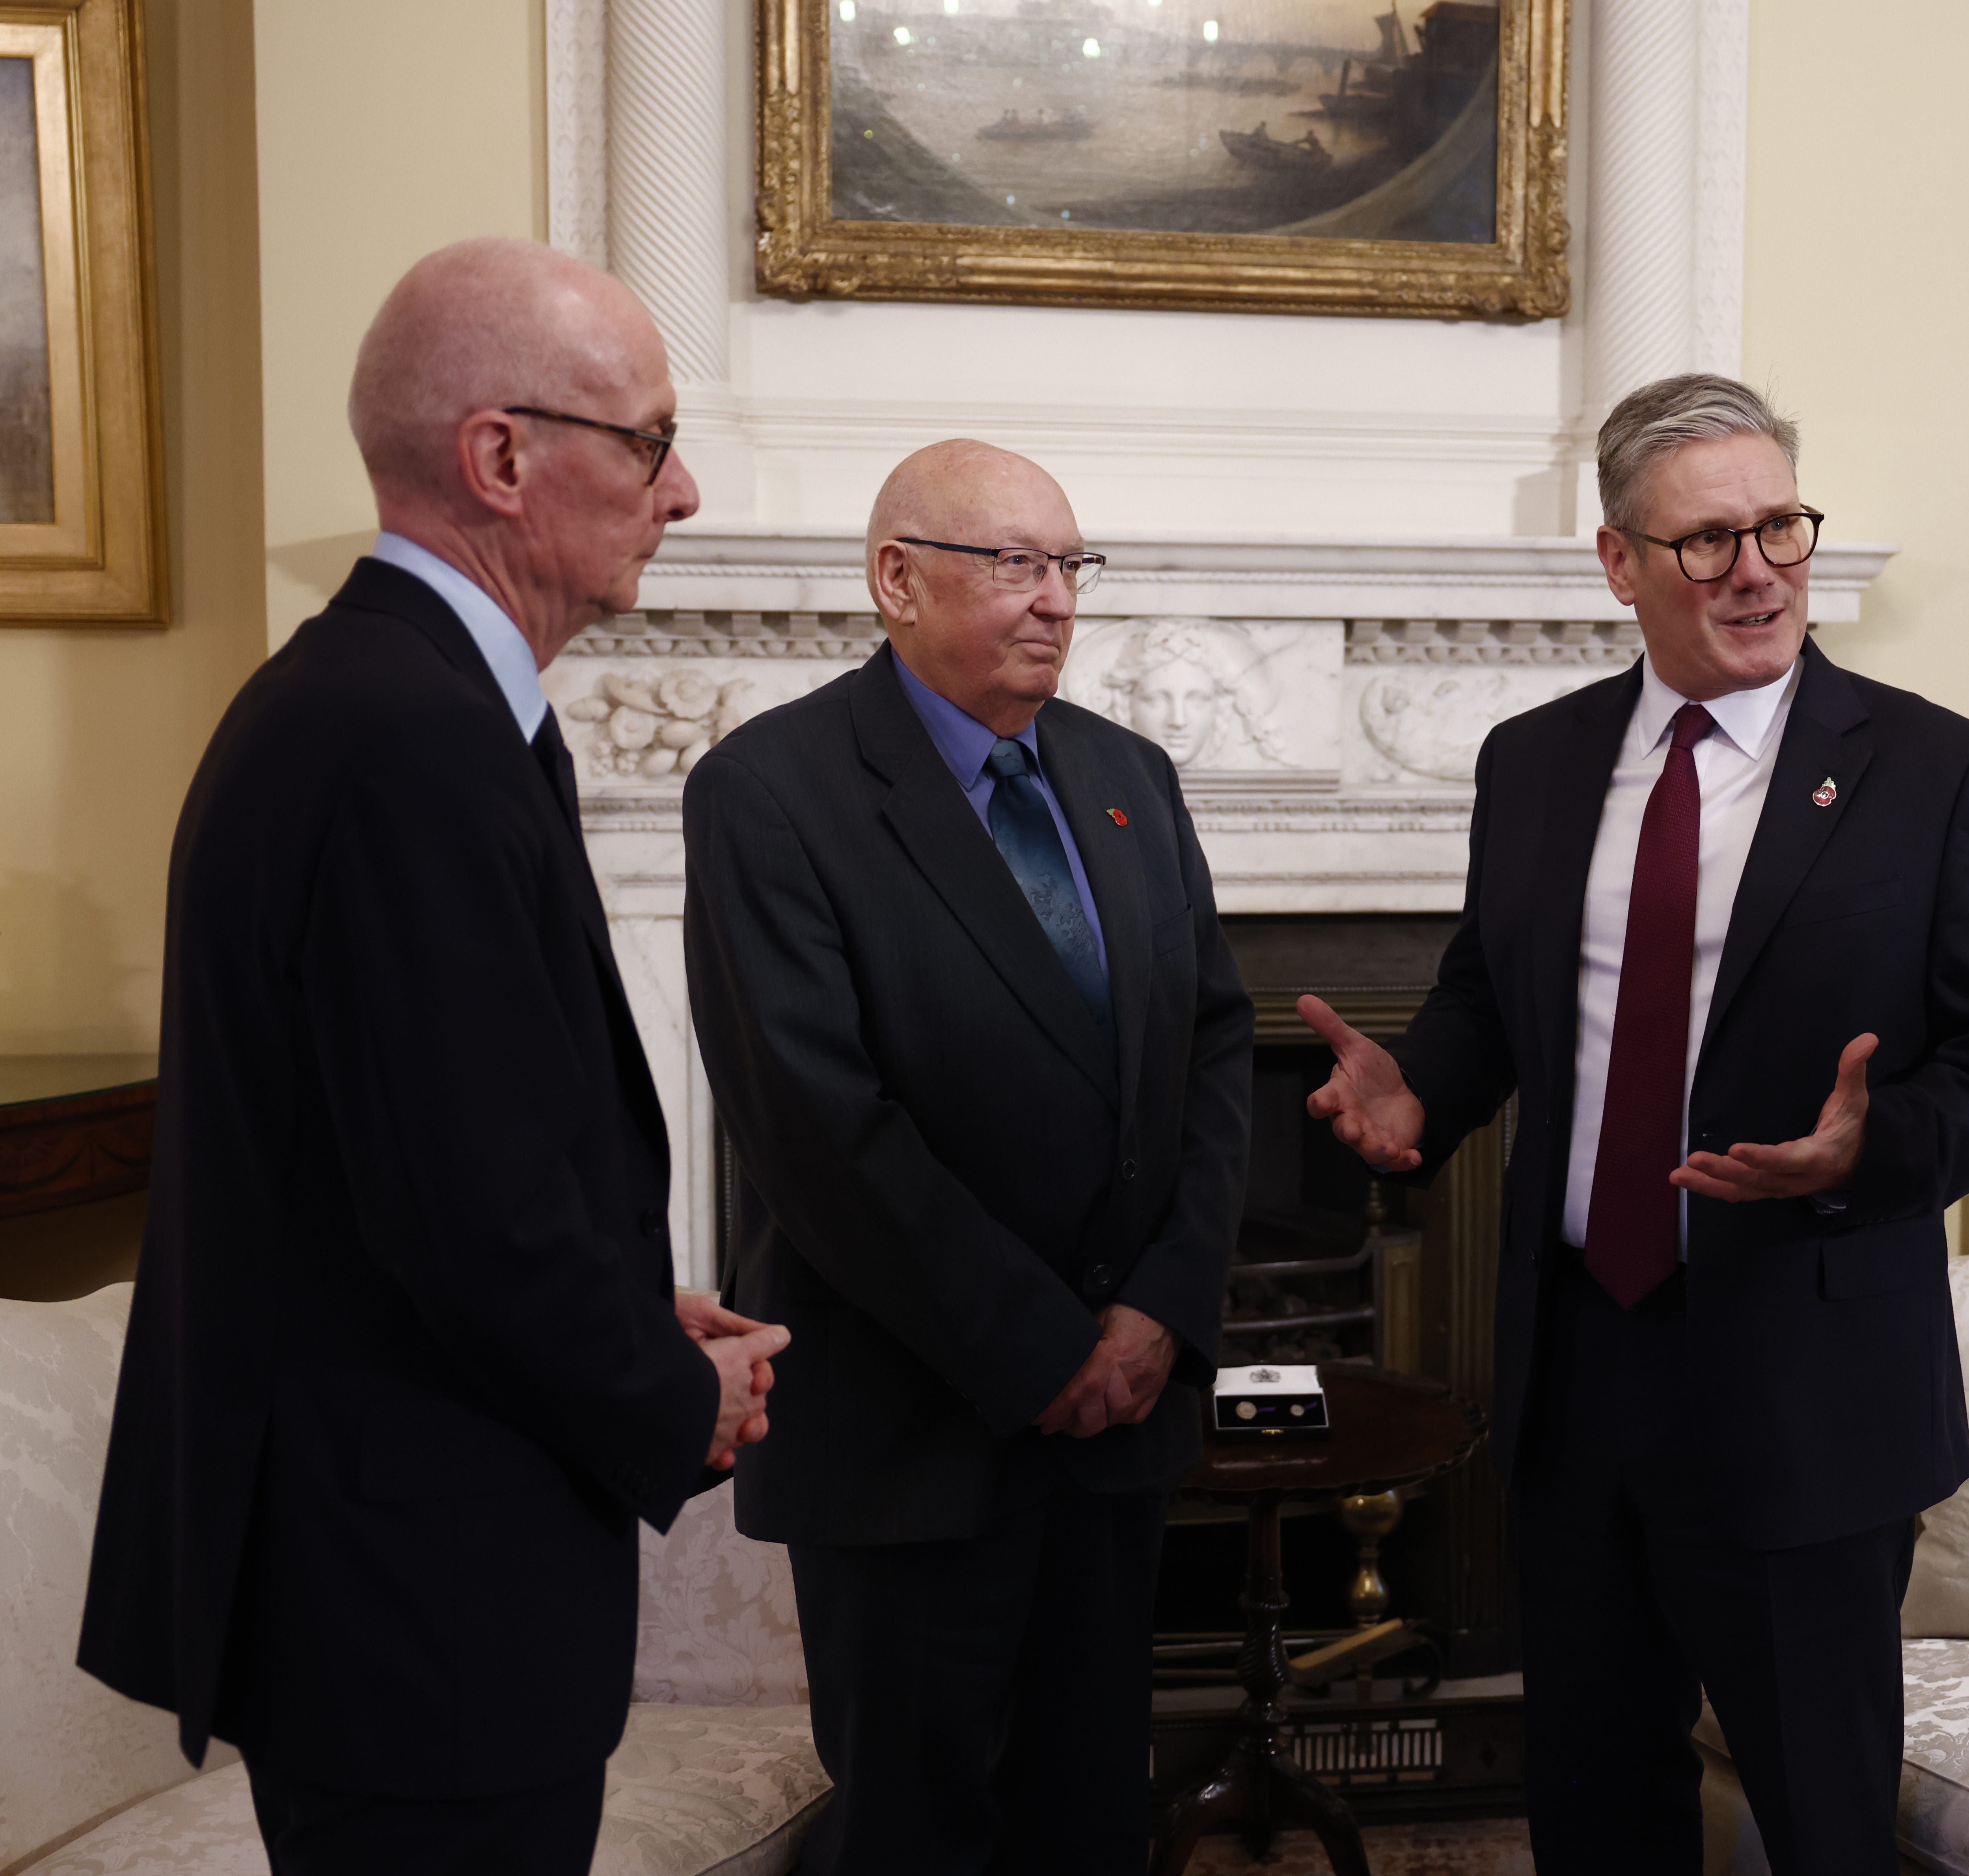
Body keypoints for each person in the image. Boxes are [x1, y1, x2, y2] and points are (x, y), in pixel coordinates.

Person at [76, 238, 789, 1875]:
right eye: (649, 438)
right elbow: (471, 1217)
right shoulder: (402, 739)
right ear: (500, 456)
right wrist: (668, 1390)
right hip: (414, 1609)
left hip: (398, 1585)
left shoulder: (392, 702)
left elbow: (410, 1162)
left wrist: (626, 1297)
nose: (683, 489)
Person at [1302, 374, 1969, 1872]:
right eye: (1708, 540)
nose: (1758, 571)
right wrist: (1421, 1086)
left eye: (1780, 526)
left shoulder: (1934, 772)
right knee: (1595, 1805)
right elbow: (1493, 997)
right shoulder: (1532, 763)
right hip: (1580, 1369)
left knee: (1821, 1820)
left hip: (1804, 1374)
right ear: (1619, 563)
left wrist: (1871, 1153)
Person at [682, 440, 1253, 1875]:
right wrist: (1044, 1350)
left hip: (1115, 1433)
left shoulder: (1130, 777)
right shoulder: (771, 792)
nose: (1055, 600)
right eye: (1013, 563)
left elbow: (1216, 1052)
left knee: (1085, 1826)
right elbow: (820, 1129)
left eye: (1071, 566)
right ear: (896, 579)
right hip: (915, 1439)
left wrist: (1156, 1319)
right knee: (920, 1839)